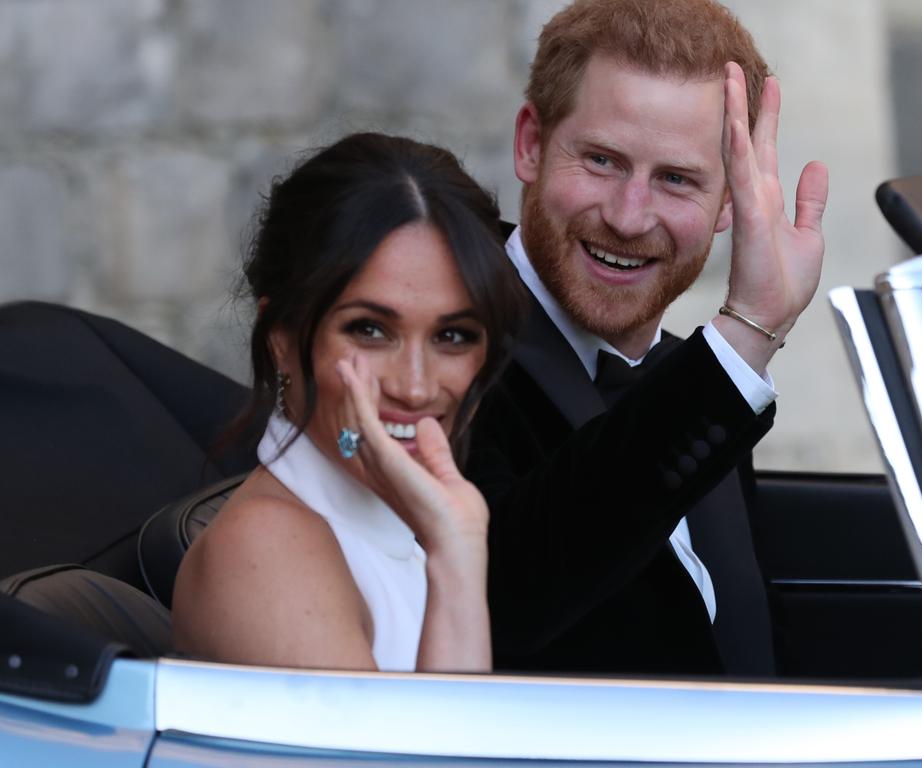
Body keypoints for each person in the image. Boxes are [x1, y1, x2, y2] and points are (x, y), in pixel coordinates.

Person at [466, 0, 829, 675]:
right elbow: (506, 597)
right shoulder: (447, 349)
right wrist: (747, 333)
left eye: (676, 180)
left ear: (728, 205)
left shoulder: (694, 378)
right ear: (530, 145)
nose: (630, 218)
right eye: (602, 160)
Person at [172, 133, 526, 672]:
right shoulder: (266, 549)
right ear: (282, 340)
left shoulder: (396, 525)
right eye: (369, 330)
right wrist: (456, 558)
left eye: (452, 336)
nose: (414, 386)